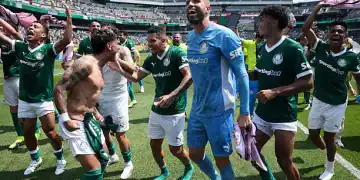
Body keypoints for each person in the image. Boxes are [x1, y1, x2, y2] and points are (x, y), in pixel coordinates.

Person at [109, 26, 194, 180]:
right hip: (157, 111)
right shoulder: (151, 58)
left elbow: (189, 76)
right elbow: (136, 77)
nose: (149, 44)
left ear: (164, 40)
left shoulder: (177, 53)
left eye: (152, 41)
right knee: (154, 146)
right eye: (148, 41)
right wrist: (118, 68)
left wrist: (172, 95)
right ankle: (164, 171)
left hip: (175, 111)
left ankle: (189, 166)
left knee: (176, 150)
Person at [0, 2, 73, 176]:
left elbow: (66, 40)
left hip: (43, 99)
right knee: (27, 132)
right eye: (30, 27)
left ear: (43, 35)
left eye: (35, 27)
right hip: (25, 100)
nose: (31, 28)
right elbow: (3, 38)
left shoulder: (48, 49)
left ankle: (60, 159)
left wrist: (69, 19)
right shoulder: (20, 48)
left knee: (49, 131)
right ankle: (35, 159)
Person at [54, 28, 135, 179]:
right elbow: (59, 88)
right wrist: (65, 119)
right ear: (109, 46)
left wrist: (96, 113)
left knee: (103, 159)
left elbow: (88, 95)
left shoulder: (99, 65)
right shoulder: (86, 64)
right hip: (75, 122)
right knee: (94, 171)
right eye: (117, 43)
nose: (119, 47)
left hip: (89, 120)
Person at [186, 0, 251, 178]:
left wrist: (245, 112)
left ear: (208, 8)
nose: (190, 4)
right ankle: (215, 178)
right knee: (195, 154)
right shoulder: (191, 37)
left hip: (220, 110)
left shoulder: (225, 35)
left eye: (196, 1)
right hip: (198, 109)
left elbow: (242, 74)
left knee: (222, 160)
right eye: (187, 2)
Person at [250, 5, 313, 180]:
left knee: (284, 161)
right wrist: (234, 73)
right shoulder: (262, 47)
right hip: (262, 113)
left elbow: (308, 82)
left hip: (284, 115)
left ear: (274, 22)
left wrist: (276, 91)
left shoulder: (292, 48)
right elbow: (257, 73)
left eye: (262, 20)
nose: (259, 24)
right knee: (251, 152)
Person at [302, 2, 360, 179]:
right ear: (328, 34)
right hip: (319, 99)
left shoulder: (351, 57)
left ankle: (330, 169)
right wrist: (319, 7)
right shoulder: (320, 47)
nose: (336, 33)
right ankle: (330, 151)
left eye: (340, 32)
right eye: (333, 31)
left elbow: (358, 77)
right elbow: (305, 28)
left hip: (337, 103)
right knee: (313, 136)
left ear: (345, 37)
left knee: (329, 136)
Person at [98, 24, 134, 179]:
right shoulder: (99, 52)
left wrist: (117, 61)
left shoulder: (123, 51)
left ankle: (128, 164)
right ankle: (112, 156)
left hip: (118, 96)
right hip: (102, 95)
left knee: (120, 133)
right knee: (104, 130)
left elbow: (132, 68)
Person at [0, 19, 41, 150]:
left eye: (2, 28)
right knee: (13, 108)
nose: (1, 30)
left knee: (27, 105)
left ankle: (35, 131)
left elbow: (13, 32)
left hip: (20, 78)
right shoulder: (2, 44)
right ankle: (20, 135)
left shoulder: (20, 42)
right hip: (8, 79)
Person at [119, 30, 144, 105]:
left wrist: (132, 64)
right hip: (123, 65)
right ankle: (132, 99)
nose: (119, 36)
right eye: (119, 35)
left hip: (130, 64)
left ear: (125, 36)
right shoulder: (119, 43)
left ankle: (141, 86)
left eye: (121, 35)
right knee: (127, 82)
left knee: (133, 78)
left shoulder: (129, 42)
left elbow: (134, 54)